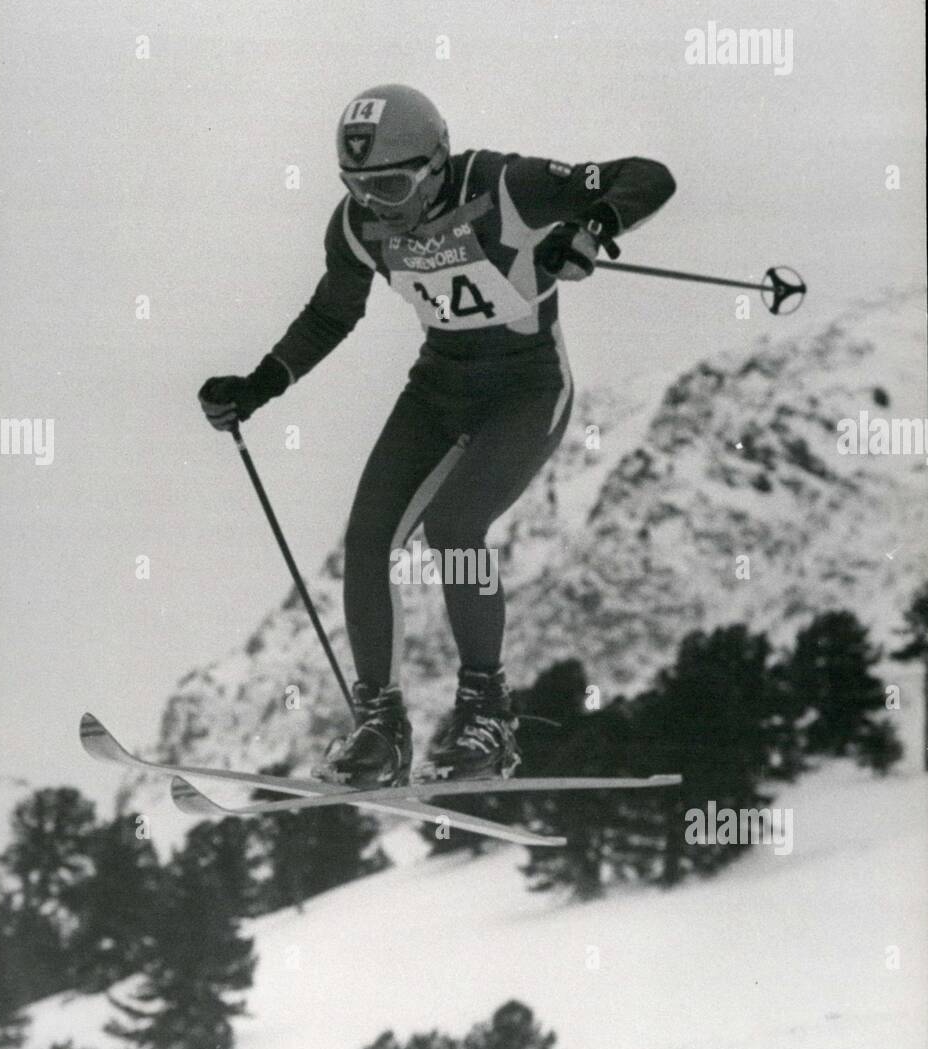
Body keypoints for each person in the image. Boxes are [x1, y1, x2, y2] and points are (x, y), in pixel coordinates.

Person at [199, 84, 675, 788]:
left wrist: (591, 227)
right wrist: (260, 384)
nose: (377, 204)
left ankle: (488, 713)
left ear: (436, 161)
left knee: (454, 528)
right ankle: (380, 729)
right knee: (368, 540)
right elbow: (332, 313)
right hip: (440, 387)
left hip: (526, 388)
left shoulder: (505, 186)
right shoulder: (359, 225)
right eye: (358, 188)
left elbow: (649, 175)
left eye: (390, 184)